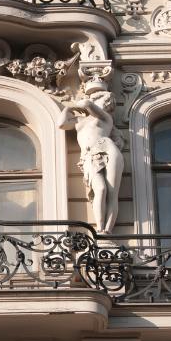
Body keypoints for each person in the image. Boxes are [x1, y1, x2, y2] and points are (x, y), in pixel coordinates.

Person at [58, 91, 124, 234]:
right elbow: (61, 124)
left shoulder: (106, 118)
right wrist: (68, 109)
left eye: (109, 104)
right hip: (89, 155)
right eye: (105, 102)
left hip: (108, 149)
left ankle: (106, 230)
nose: (107, 106)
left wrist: (83, 103)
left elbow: (86, 104)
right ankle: (100, 227)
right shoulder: (80, 120)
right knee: (100, 189)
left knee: (112, 193)